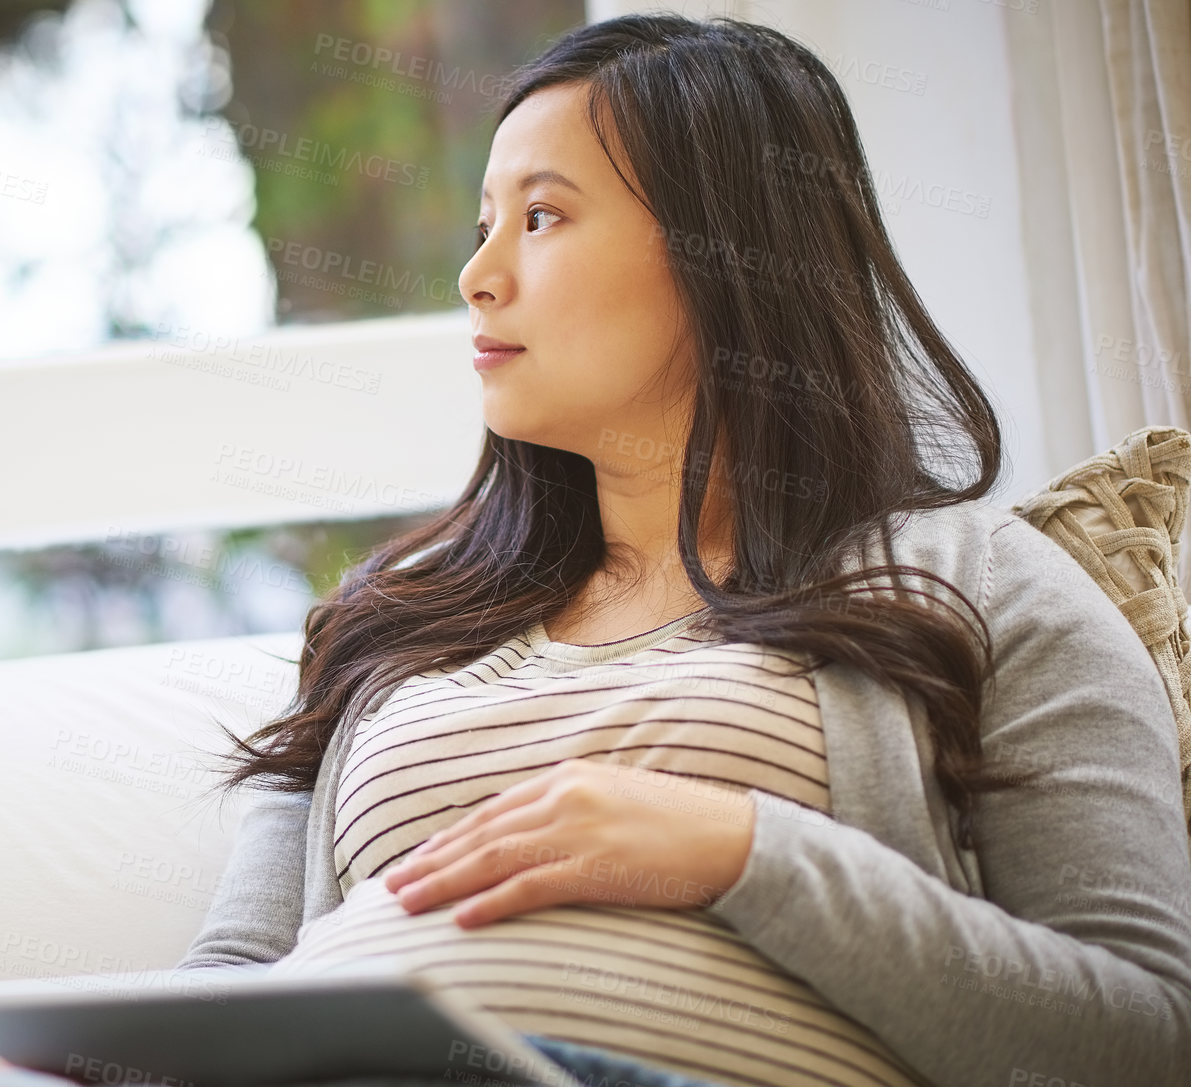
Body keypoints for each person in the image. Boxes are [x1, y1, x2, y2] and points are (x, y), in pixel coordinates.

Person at [170, 12, 1191, 1087]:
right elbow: (227, 984)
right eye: (482, 224)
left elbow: (1145, 1041)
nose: (477, 275)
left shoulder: (983, 586)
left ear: (730, 252)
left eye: (543, 217)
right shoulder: (388, 628)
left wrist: (737, 848)